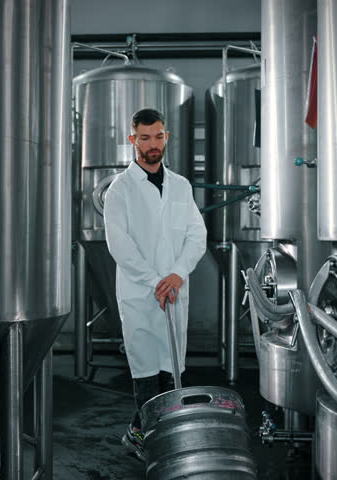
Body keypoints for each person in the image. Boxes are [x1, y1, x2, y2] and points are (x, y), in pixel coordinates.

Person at [103, 108, 207, 460]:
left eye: (158, 136)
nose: (153, 144)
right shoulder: (120, 190)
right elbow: (120, 245)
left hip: (175, 290)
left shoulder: (181, 185)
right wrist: (155, 281)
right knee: (146, 369)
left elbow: (197, 234)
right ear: (132, 139)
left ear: (167, 137)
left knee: (172, 367)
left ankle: (146, 433)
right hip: (140, 293)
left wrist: (177, 274)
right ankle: (149, 438)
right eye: (144, 137)